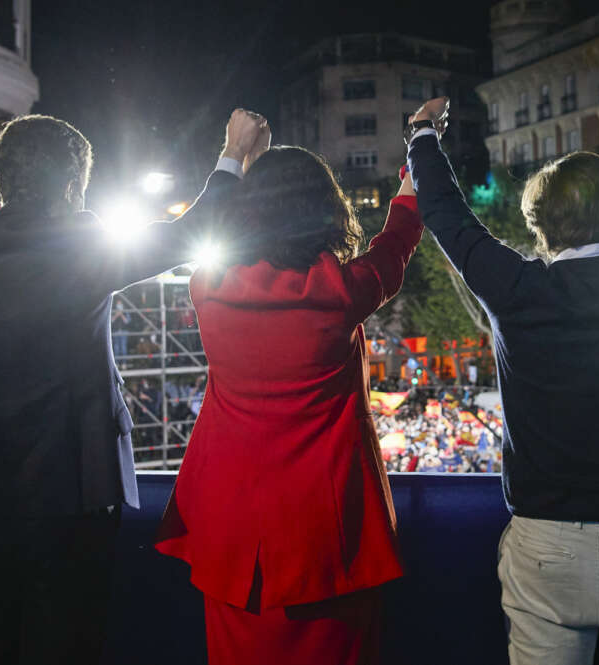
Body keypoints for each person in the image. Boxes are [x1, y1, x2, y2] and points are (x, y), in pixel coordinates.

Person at [405, 33, 599, 665]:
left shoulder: (517, 287)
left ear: (540, 226)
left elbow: (446, 215)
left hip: (545, 547)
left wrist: (421, 138)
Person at [0, 108, 266, 664]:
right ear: (71, 187)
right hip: (71, 499)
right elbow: (194, 229)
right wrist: (234, 151)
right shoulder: (82, 248)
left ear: (3, 179)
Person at [154, 132, 426, 664]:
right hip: (325, 535)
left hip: (230, 532)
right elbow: (397, 237)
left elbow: (215, 224)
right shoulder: (345, 291)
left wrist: (235, 156)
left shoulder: (206, 285)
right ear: (325, 210)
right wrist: (418, 151)